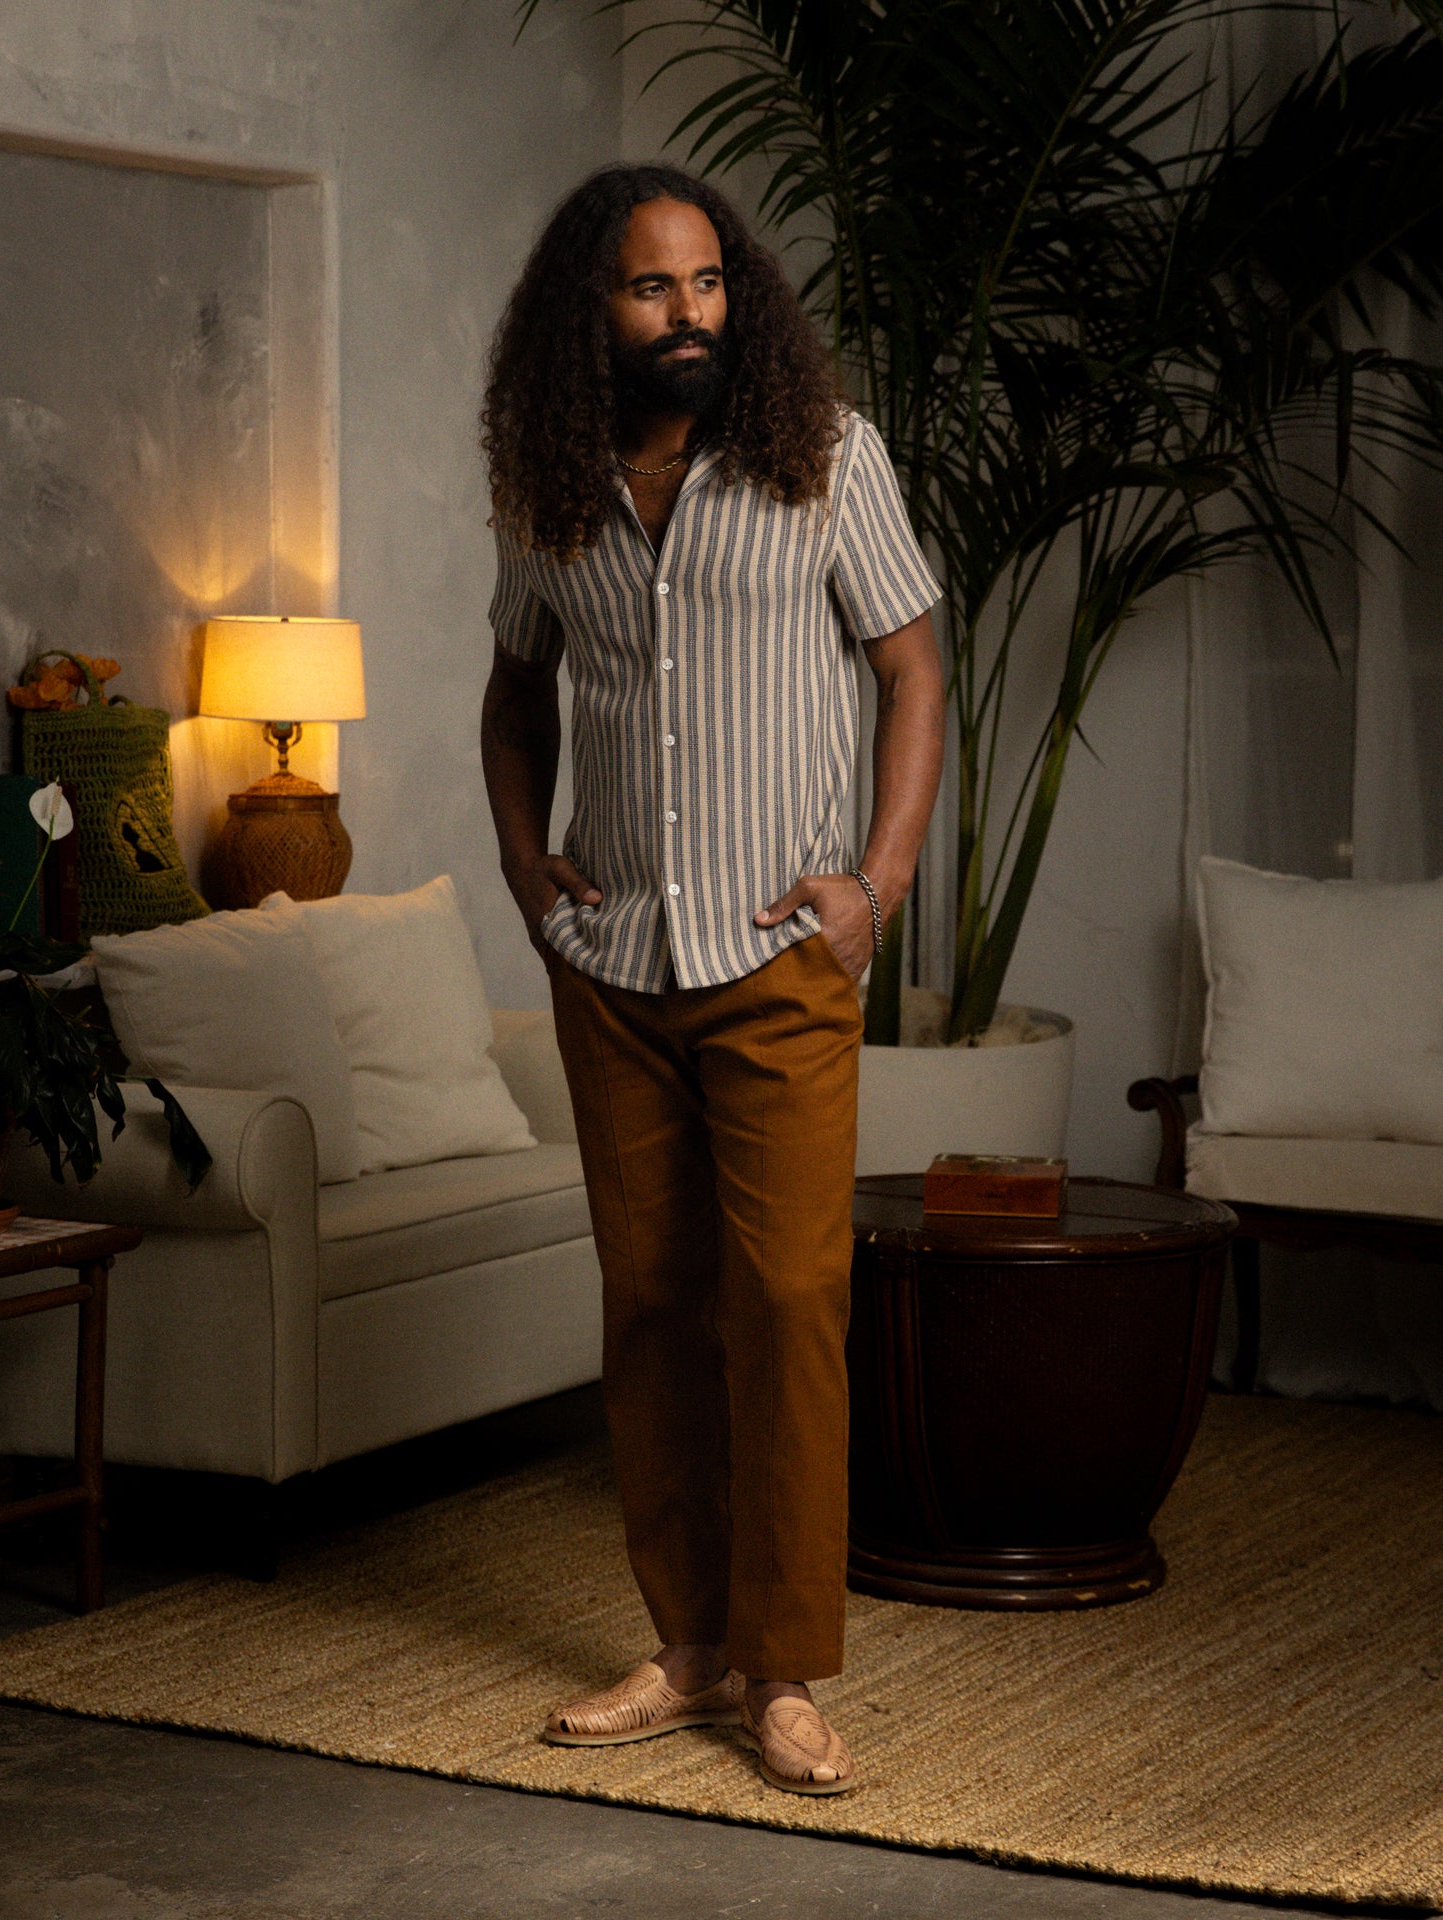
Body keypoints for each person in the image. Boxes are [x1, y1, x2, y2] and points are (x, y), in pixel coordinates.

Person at [479, 162, 944, 1796]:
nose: (684, 315)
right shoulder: (552, 490)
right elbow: (511, 699)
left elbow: (914, 668)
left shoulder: (826, 457)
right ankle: (684, 1652)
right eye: (647, 288)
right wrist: (534, 873)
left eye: (705, 285)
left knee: (794, 1302)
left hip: (776, 957)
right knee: (656, 1303)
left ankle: (787, 1669)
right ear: (586, 311)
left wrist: (871, 889)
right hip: (616, 967)